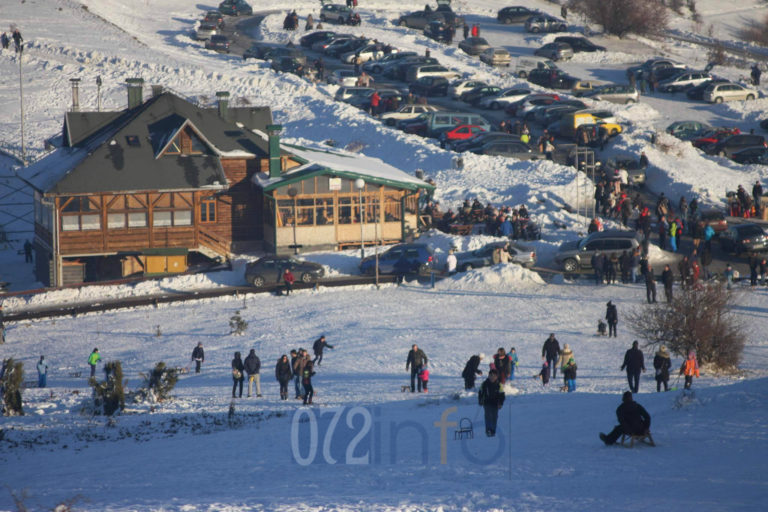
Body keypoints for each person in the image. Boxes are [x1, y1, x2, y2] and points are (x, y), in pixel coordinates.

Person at [478, 369, 505, 437]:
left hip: (495, 403)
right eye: (490, 375)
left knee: (494, 416)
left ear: (496, 377)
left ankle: (493, 430)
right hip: (486, 402)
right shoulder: (484, 384)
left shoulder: (499, 385)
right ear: (488, 376)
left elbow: (502, 395)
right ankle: (488, 430)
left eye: (494, 376)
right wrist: (480, 400)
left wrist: (500, 403)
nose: (492, 377)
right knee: (488, 416)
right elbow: (480, 392)